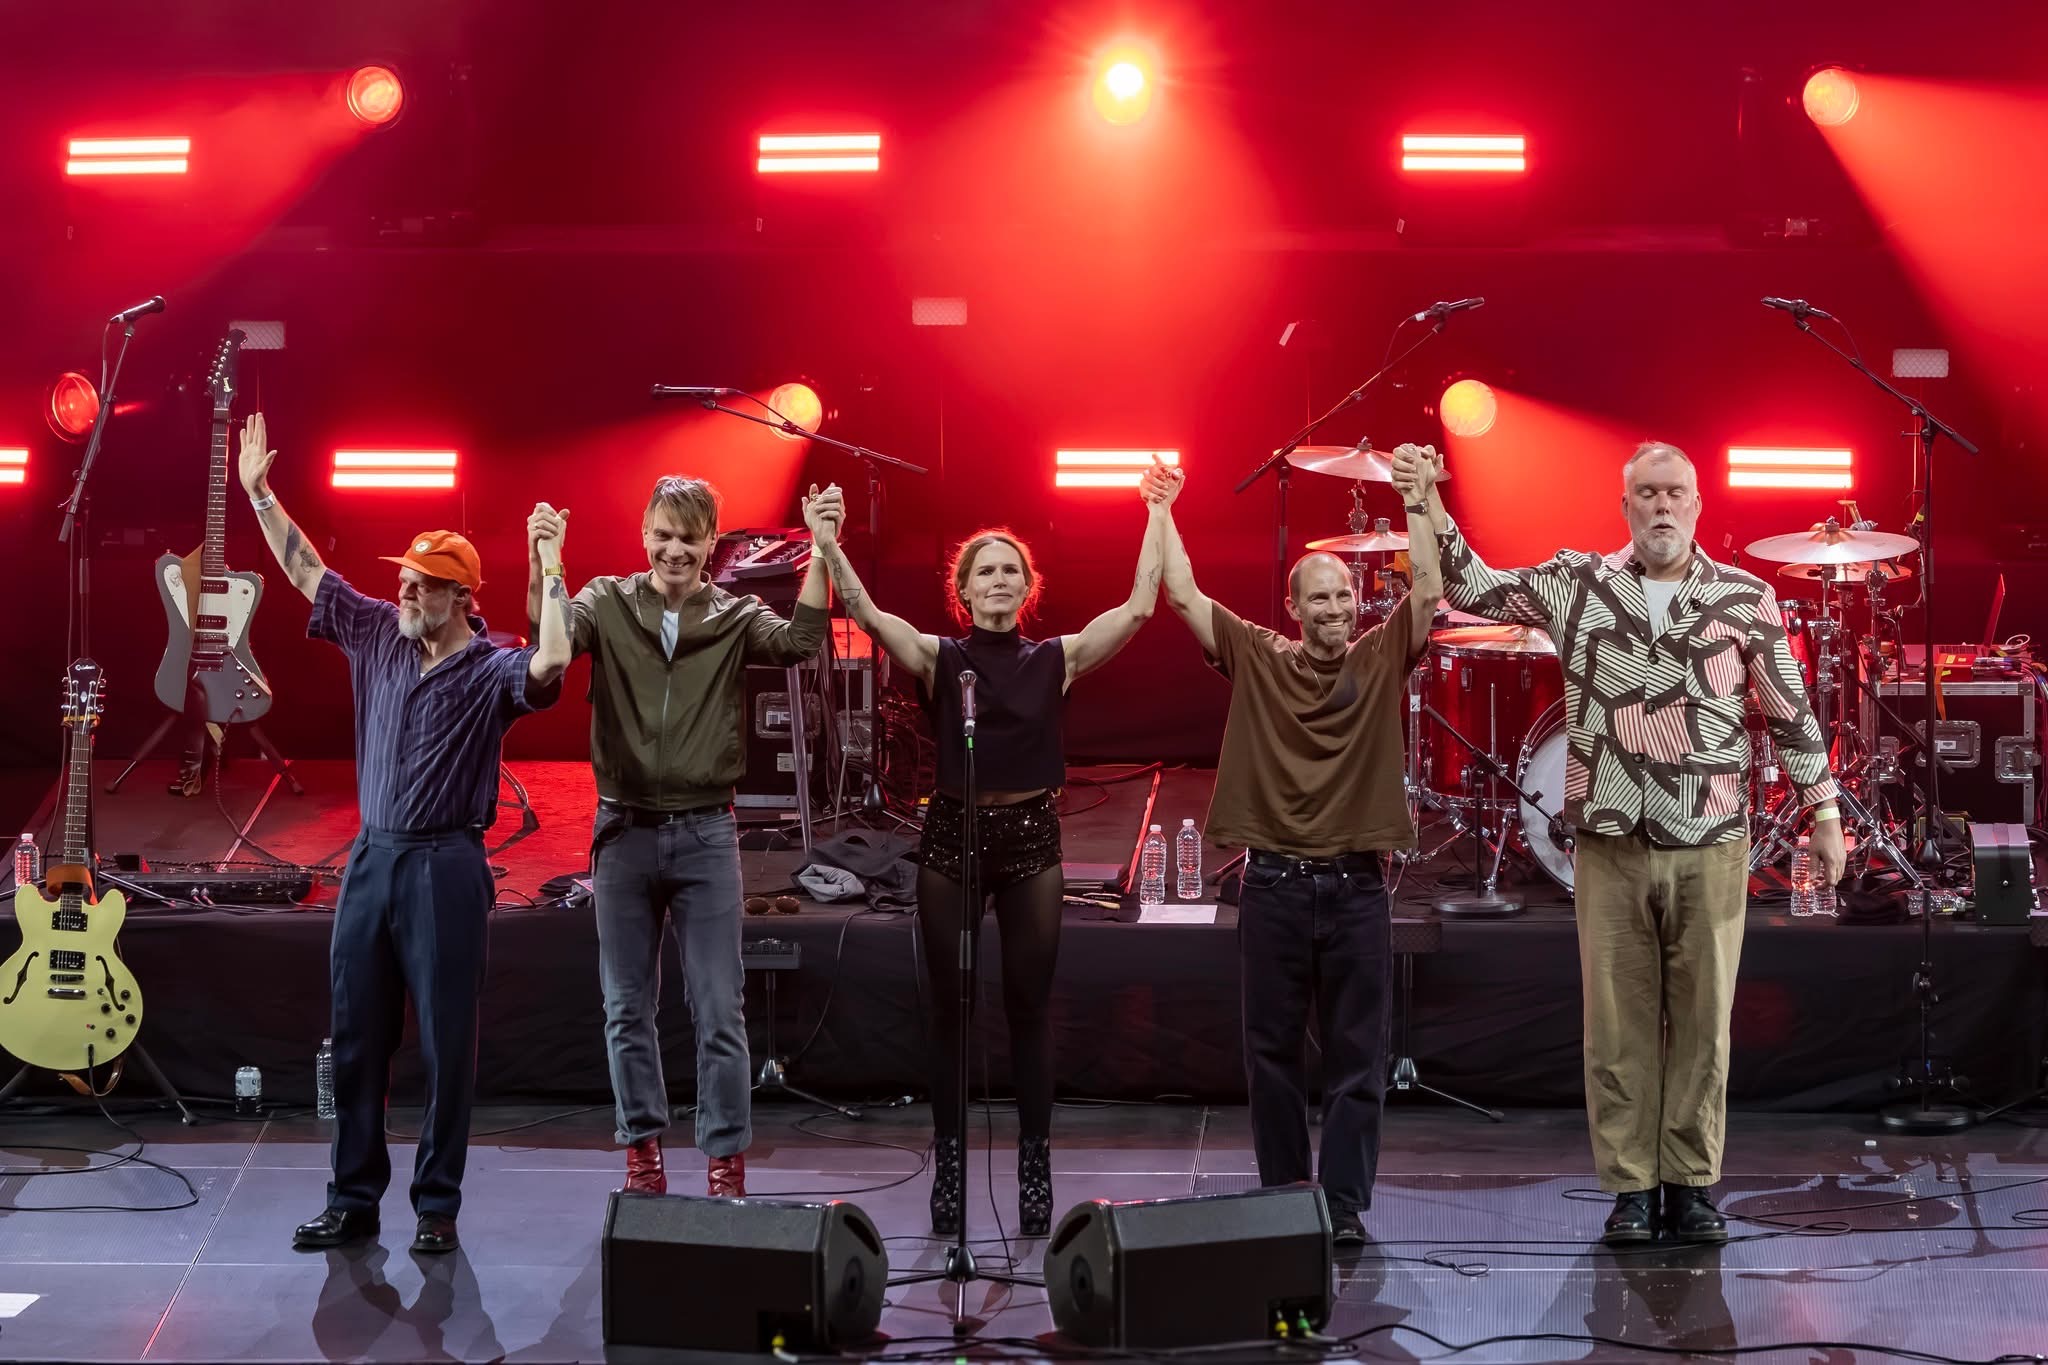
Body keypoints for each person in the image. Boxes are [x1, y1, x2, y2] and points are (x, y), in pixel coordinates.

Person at [1397, 439, 1845, 1244]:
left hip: (1710, 840)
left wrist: (1825, 812)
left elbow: (1791, 711)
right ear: (1626, 504)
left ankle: (1692, 1185)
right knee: (1616, 1028)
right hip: (1609, 842)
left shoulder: (1745, 597)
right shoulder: (1579, 582)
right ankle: (1633, 1188)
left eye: (1675, 492)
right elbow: (1471, 586)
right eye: (1648, 493)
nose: (1662, 505)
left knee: (1703, 1026)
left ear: (1698, 504)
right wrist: (1427, 500)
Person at [233, 412, 569, 1255]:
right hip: (373, 859)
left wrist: (552, 567)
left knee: (448, 1044)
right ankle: (352, 1199)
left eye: (424, 585)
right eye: (407, 581)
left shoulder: (492, 669)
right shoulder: (379, 631)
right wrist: (260, 495)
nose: (407, 593)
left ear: (463, 598)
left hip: (444, 864)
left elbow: (554, 662)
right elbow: (307, 572)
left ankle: (436, 1206)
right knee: (357, 1038)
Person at [799, 479, 1162, 1237]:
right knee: (950, 1010)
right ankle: (951, 1165)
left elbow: (1137, 609)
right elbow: (867, 614)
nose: (999, 579)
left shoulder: (1056, 658)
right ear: (963, 590)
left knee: (1029, 1008)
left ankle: (1035, 1164)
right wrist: (827, 543)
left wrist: (1158, 513)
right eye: (985, 570)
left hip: (1030, 838)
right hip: (953, 837)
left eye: (1010, 570)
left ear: (1029, 588)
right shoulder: (942, 657)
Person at [1149, 453, 1439, 1248]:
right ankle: (1284, 1199)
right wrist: (1162, 509)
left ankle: (1341, 1207)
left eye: (1344, 594)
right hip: (1274, 886)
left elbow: (1428, 591)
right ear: (1293, 606)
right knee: (1271, 1056)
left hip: (1357, 889)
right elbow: (1182, 592)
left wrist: (1419, 499)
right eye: (1320, 596)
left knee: (1358, 1059)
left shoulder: (1378, 656)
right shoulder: (1257, 654)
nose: (1336, 607)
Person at [524, 476, 834, 1199]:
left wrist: (822, 550)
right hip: (623, 830)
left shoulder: (734, 613)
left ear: (710, 544)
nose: (674, 549)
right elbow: (552, 644)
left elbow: (801, 641)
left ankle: (725, 1164)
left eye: (689, 538)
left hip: (705, 834)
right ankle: (643, 1156)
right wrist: (548, 563)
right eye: (662, 534)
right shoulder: (606, 600)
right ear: (644, 534)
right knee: (625, 1006)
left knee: (719, 1007)